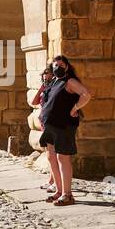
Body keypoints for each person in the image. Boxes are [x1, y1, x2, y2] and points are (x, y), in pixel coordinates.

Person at [38, 55, 93, 206]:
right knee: (52, 158)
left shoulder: (70, 81)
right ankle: (59, 191)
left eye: (61, 65)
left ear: (67, 67)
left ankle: (68, 194)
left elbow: (86, 94)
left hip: (64, 126)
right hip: (51, 126)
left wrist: (75, 108)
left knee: (63, 158)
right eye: (55, 65)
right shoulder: (55, 81)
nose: (58, 68)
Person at [31, 65, 57, 192]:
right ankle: (51, 180)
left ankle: (55, 182)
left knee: (52, 155)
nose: (46, 76)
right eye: (44, 75)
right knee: (49, 155)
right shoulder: (45, 89)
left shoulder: (54, 89)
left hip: (52, 125)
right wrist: (41, 88)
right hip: (44, 125)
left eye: (48, 74)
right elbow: (34, 101)